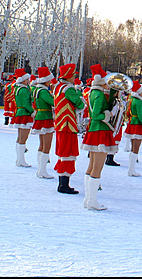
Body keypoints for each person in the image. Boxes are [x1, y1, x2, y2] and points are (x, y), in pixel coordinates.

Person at [80, 64, 118, 210]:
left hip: (93, 130)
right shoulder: (100, 94)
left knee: (91, 166)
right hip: (100, 130)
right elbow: (97, 115)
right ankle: (92, 201)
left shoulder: (92, 92)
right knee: (97, 167)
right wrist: (108, 114)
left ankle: (88, 199)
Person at [53, 63, 85, 195]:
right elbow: (80, 104)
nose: (74, 78)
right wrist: (81, 99)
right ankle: (64, 185)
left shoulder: (58, 87)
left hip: (61, 123)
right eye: (73, 76)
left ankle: (62, 183)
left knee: (63, 152)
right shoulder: (69, 89)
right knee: (68, 152)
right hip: (67, 124)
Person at [30, 67, 55, 179]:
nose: (50, 82)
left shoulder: (37, 89)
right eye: (49, 80)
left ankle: (40, 169)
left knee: (42, 144)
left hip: (40, 116)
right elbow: (53, 102)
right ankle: (42, 170)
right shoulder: (43, 91)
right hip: (45, 117)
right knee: (47, 145)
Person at [123, 80, 142, 177]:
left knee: (133, 148)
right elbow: (140, 115)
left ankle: (131, 168)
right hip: (137, 125)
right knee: (136, 149)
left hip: (132, 124)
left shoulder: (132, 100)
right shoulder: (138, 101)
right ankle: (131, 169)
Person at [11, 68, 34, 166]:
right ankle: (21, 160)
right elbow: (26, 104)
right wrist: (33, 112)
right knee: (23, 138)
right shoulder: (24, 90)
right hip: (25, 114)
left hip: (19, 113)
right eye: (27, 79)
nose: (28, 81)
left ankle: (19, 159)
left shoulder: (17, 88)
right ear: (23, 80)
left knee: (20, 138)